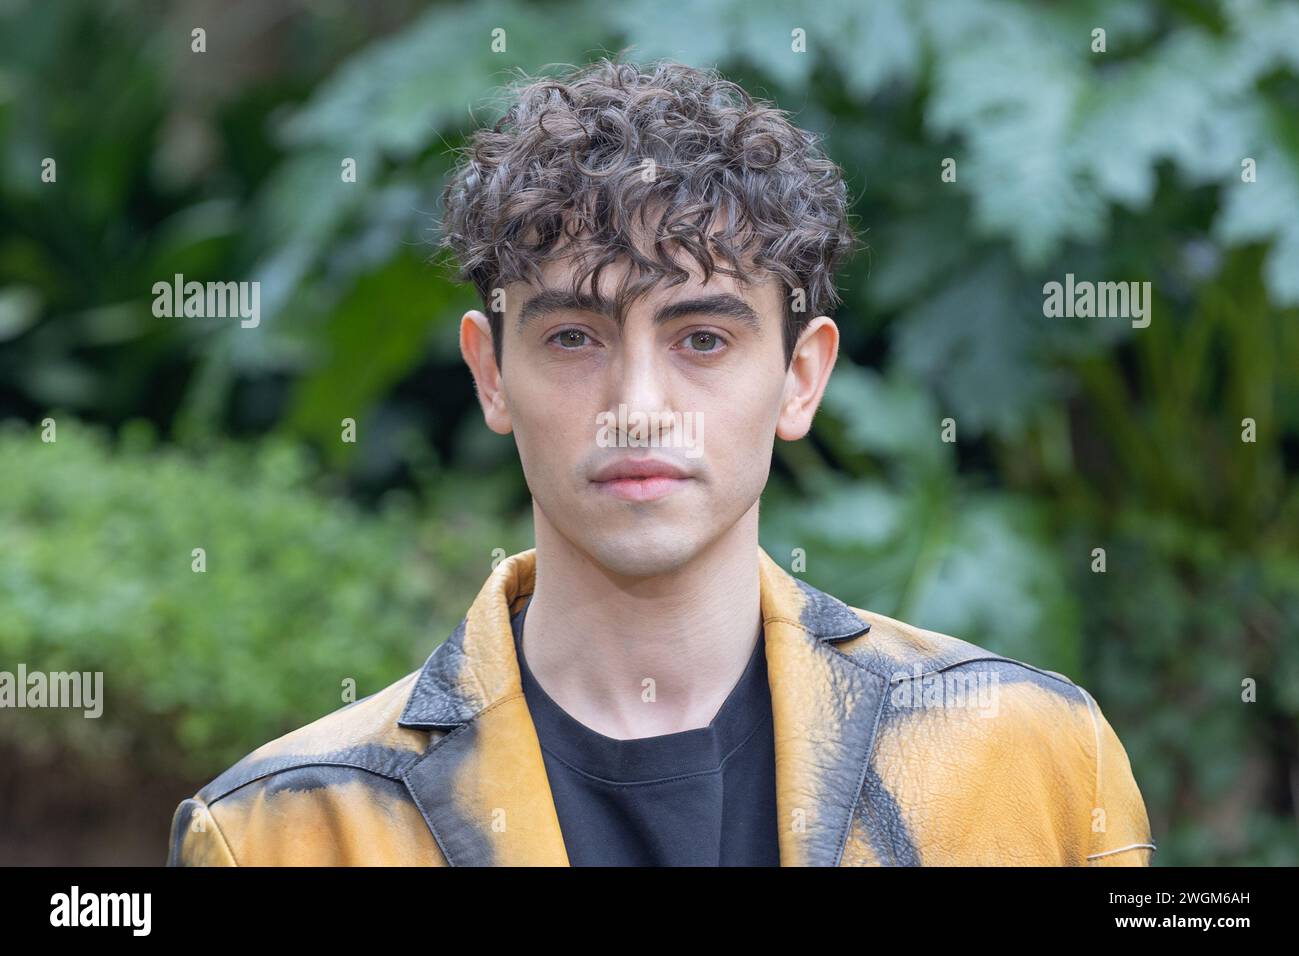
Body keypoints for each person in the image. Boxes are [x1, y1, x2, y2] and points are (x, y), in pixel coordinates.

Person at [166, 57, 1155, 867]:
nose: (638, 411)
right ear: (490, 372)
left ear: (801, 379)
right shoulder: (283, 833)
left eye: (702, 340)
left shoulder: (1033, 754)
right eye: (572, 339)